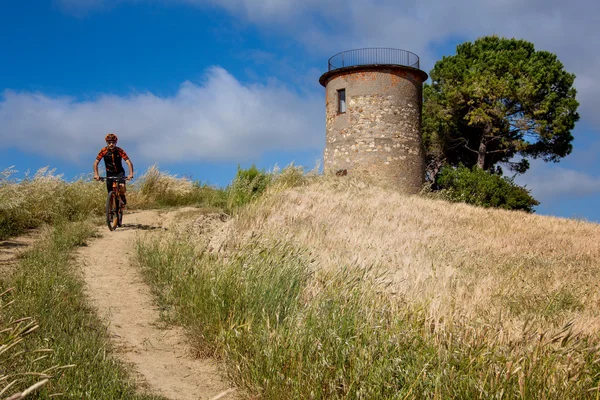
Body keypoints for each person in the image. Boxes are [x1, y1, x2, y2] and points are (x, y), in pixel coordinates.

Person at [93, 133, 134, 205]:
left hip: (119, 172)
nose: (111, 144)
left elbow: (129, 163)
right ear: (107, 143)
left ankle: (122, 196)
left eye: (113, 142)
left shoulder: (120, 151)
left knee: (122, 186)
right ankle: (110, 212)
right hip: (109, 172)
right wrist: (96, 175)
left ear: (116, 143)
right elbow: (96, 163)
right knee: (110, 193)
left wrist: (130, 174)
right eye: (109, 142)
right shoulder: (103, 151)